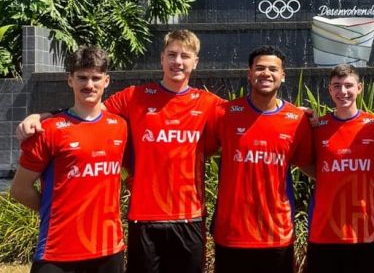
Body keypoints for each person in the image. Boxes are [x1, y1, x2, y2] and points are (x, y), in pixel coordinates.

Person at [17, 30, 224, 273]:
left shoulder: (209, 104)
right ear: (161, 59)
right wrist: (44, 115)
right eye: (171, 54)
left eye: (184, 56)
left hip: (189, 218)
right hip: (144, 219)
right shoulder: (134, 97)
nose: (177, 61)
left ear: (195, 62)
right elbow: (89, 109)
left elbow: (243, 124)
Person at [11, 46, 128, 273]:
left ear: (107, 81)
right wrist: (55, 212)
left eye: (96, 78)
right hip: (58, 251)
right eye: (82, 78)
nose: (89, 85)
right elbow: (19, 189)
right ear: (70, 80)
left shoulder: (120, 127)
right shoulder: (48, 130)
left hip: (108, 250)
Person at [206, 45, 313, 273]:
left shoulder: (297, 120)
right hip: (232, 233)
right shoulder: (224, 114)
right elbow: (195, 150)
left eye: (273, 69)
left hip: (276, 233)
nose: (266, 73)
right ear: (249, 73)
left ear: (283, 76)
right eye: (260, 68)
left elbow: (310, 165)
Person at [304, 64, 374, 273]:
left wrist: (367, 177)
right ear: (329, 90)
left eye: (349, 86)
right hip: (323, 231)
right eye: (337, 86)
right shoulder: (318, 127)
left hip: (363, 231)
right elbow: (305, 162)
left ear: (360, 88)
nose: (343, 92)